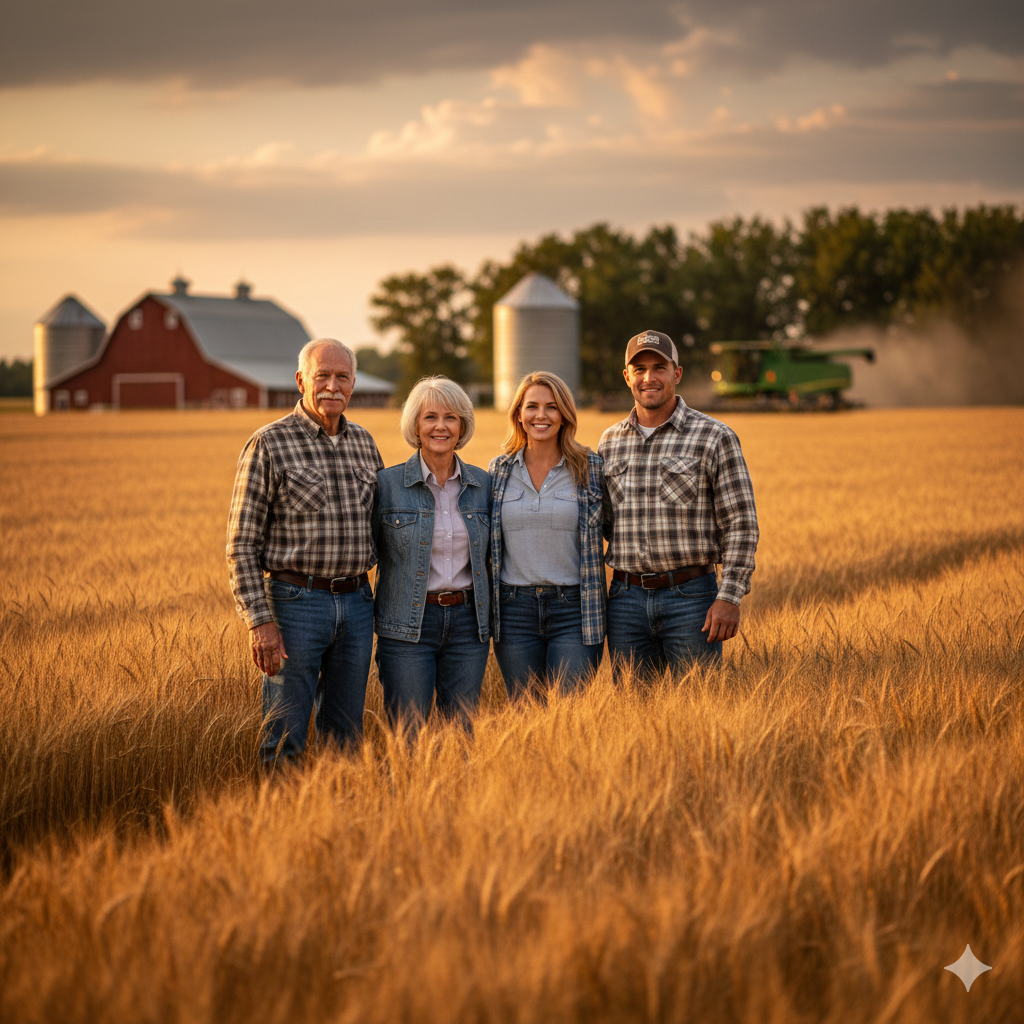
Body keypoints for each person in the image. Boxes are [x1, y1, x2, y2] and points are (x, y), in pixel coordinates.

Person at [226, 338, 383, 764]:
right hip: (295, 606)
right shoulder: (269, 443)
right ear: (301, 381)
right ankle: (280, 807)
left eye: (342, 377)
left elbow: (383, 529)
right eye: (322, 376)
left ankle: (339, 805)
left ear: (353, 384)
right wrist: (260, 622)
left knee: (346, 737)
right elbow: (241, 544)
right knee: (285, 737)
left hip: (357, 603)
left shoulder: (364, 443)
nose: (333, 386)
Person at [598, 330, 759, 678]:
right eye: (639, 369)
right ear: (626, 376)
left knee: (698, 703)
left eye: (660, 367)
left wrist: (729, 597)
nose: (649, 378)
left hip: (691, 599)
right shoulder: (609, 442)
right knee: (632, 706)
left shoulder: (714, 436)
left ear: (677, 373)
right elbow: (607, 524)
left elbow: (741, 524)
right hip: (625, 601)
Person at [373, 377, 491, 729]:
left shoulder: (484, 485)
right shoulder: (387, 485)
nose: (441, 426)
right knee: (408, 735)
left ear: (462, 426)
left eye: (451, 417)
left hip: (468, 626)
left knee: (461, 734)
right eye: (430, 417)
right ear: (415, 426)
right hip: (407, 627)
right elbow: (366, 552)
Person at [488, 371, 605, 698]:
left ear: (564, 414)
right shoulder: (499, 470)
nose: (541, 415)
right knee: (525, 712)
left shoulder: (590, 467)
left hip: (575, 609)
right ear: (519, 415)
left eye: (552, 407)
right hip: (514, 610)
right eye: (532, 406)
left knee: (569, 712)